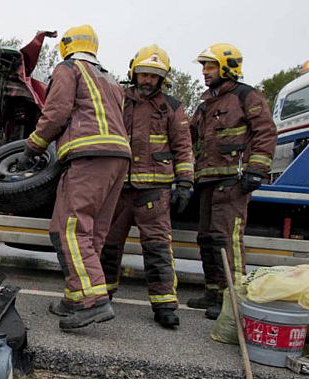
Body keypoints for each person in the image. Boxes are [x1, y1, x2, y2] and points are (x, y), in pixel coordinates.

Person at [22, 25, 131, 330]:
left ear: (67, 46)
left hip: (88, 154)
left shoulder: (69, 68)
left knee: (70, 228)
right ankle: (75, 297)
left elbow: (56, 111)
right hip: (118, 157)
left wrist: (34, 144)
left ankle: (93, 301)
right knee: (92, 231)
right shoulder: (109, 78)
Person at [97, 45, 193, 329]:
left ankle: (164, 306)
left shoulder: (172, 106)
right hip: (118, 188)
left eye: (154, 75)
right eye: (143, 74)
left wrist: (185, 181)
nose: (148, 80)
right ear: (133, 72)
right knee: (107, 247)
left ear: (162, 78)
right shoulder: (118, 98)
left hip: (154, 189)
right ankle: (102, 297)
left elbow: (183, 147)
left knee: (157, 249)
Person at [188, 43, 276, 320]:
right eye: (203, 66)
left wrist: (256, 169)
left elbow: (265, 132)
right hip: (207, 180)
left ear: (227, 67)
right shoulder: (206, 104)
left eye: (210, 66)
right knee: (207, 238)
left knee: (227, 240)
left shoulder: (246, 96)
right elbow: (189, 137)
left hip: (233, 180)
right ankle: (213, 291)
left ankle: (233, 300)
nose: (204, 71)